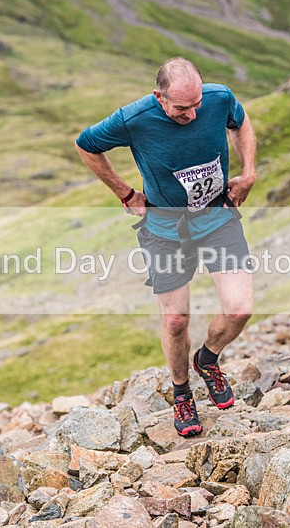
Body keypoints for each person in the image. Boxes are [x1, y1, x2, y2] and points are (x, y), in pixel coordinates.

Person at [75, 58, 256, 437]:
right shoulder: (133, 118)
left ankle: (207, 359)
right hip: (164, 228)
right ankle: (182, 392)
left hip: (217, 216)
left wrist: (248, 172)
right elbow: (86, 145)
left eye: (197, 105)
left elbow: (240, 123)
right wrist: (125, 193)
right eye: (181, 109)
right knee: (176, 320)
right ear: (160, 98)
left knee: (239, 309)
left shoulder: (219, 98)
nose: (192, 115)